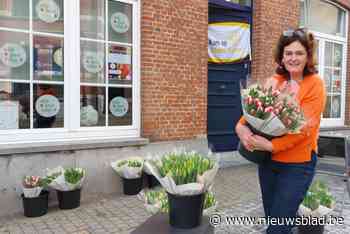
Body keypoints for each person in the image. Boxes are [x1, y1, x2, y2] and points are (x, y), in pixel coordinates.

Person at [235, 28, 326, 233]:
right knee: (274, 220)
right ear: (282, 56)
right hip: (268, 162)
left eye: (299, 53)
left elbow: (305, 131)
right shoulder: (274, 81)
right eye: (289, 53)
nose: (293, 58)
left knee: (279, 227)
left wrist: (272, 145)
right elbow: (255, 110)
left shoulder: (315, 85)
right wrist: (240, 128)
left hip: (297, 165)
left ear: (308, 57)